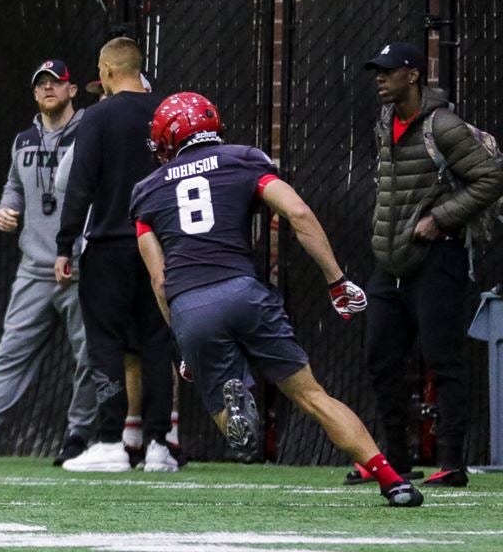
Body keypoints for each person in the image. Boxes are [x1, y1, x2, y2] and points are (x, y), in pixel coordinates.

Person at [128, 91, 423, 507]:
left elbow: (159, 280)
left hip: (190, 305)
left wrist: (180, 342)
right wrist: (336, 280)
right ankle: (392, 480)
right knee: (313, 396)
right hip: (244, 291)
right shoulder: (244, 159)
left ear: (166, 140)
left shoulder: (146, 192)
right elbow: (298, 213)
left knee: (229, 422)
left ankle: (238, 414)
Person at [357, 41, 503, 488]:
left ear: (413, 75)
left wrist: (440, 218)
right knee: (381, 356)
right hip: (391, 262)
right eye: (377, 71)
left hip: (438, 258)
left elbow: (493, 177)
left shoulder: (443, 125)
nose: (380, 79)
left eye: (388, 71)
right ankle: (396, 462)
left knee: (443, 360)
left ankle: (452, 463)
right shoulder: (385, 121)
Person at [0, 60, 95, 466]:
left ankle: (80, 434)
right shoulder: (23, 140)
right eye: (41, 84)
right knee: (10, 352)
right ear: (34, 94)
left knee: (88, 355)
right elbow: (13, 186)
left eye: (57, 83)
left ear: (71, 91)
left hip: (81, 264)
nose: (49, 88)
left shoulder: (88, 133)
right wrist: (5, 209)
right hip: (33, 266)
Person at [54, 38, 177, 473]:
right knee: (158, 341)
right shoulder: (167, 111)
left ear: (106, 71)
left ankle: (110, 441)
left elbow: (80, 184)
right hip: (159, 244)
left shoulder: (99, 115)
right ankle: (160, 444)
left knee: (104, 343)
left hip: (108, 243)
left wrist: (65, 245)